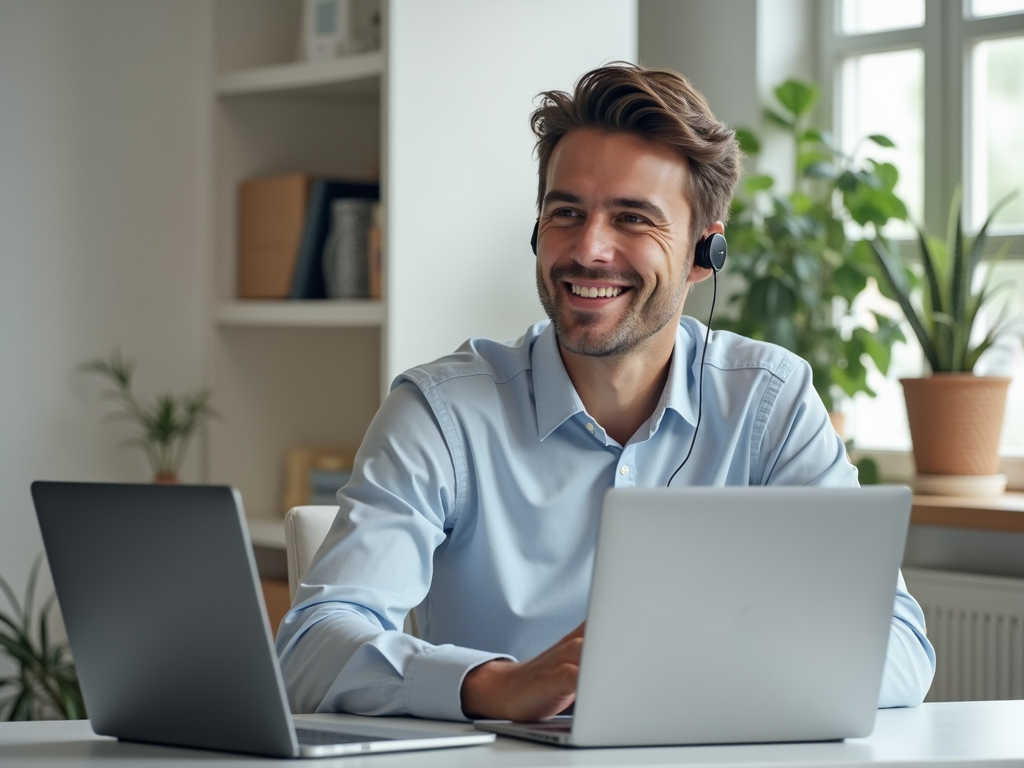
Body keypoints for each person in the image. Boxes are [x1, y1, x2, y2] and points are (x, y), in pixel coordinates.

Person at [275, 63, 935, 722]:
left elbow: (900, 647)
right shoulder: (441, 413)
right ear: (538, 231)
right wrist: (496, 685)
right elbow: (310, 648)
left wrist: (693, 675)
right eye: (567, 212)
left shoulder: (771, 403)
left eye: (632, 219)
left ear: (706, 256)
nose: (589, 249)